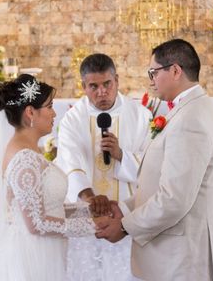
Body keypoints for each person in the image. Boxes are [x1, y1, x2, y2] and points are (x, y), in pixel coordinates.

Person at [95, 39, 213, 281]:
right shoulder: (192, 109)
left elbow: (174, 199)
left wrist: (125, 225)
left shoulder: (190, 120)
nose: (150, 81)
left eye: (154, 72)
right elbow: (162, 182)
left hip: (183, 261)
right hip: (181, 257)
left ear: (176, 71)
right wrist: (125, 207)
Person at [0, 74, 96, 281]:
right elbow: (36, 223)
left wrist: (86, 211)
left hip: (46, 252)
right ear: (30, 112)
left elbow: (46, 206)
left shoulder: (29, 150)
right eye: (49, 106)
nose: (54, 113)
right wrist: (93, 226)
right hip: (33, 258)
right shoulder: (24, 159)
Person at [55, 53, 152, 280]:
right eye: (94, 86)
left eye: (107, 84)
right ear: (84, 86)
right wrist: (90, 198)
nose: (102, 92)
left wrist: (121, 155)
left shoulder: (141, 116)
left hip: (127, 215)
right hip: (87, 215)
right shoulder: (72, 119)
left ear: (117, 80)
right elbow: (70, 161)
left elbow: (152, 163)